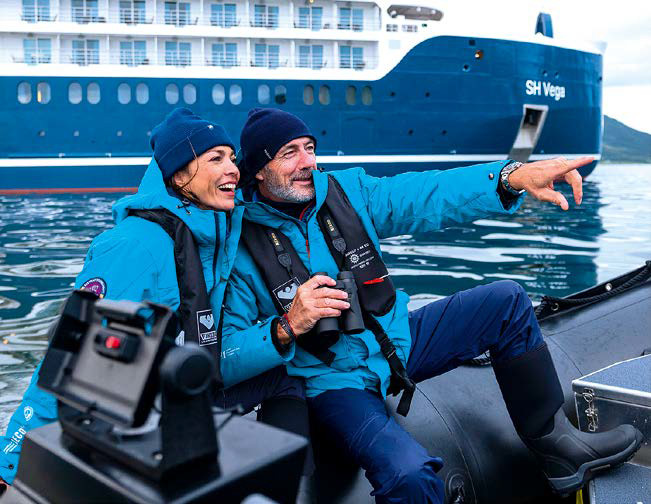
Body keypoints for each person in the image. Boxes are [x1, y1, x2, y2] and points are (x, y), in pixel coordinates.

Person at [221, 108, 643, 503]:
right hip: (332, 381)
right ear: (258, 169)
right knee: (409, 475)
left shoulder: (348, 192)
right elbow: (226, 356)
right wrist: (287, 325)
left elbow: (426, 194)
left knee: (507, 302)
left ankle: (558, 448)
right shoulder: (237, 247)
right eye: (289, 153)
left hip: (395, 342)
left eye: (310, 148)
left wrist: (511, 177)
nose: (307, 162)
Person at [0, 108, 311, 492]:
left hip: (185, 391)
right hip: (137, 413)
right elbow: (68, 354)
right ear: (178, 176)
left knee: (287, 376)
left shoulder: (213, 233)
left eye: (232, 158)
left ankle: (290, 488)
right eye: (216, 158)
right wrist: (11, 464)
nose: (233, 168)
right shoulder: (135, 246)